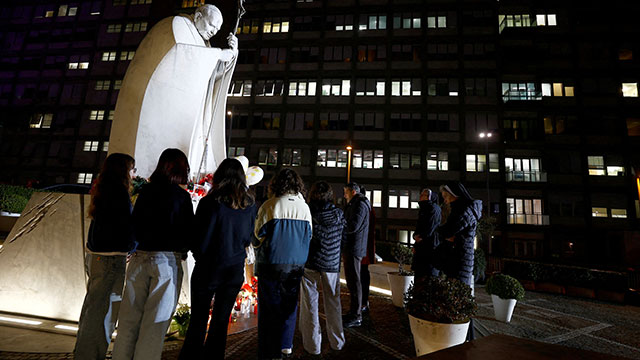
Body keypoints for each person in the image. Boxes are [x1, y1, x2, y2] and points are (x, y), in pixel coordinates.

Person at [109, 4, 239, 177]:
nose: (213, 31)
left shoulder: (204, 43)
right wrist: (216, 55)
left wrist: (231, 54)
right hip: (163, 106)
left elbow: (210, 78)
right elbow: (178, 55)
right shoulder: (177, 25)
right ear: (198, 16)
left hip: (187, 110)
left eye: (217, 29)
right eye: (211, 25)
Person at [112, 149, 194, 360]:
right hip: (166, 261)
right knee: (154, 326)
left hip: (139, 258)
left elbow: (134, 225)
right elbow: (188, 232)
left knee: (128, 322)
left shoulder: (146, 192)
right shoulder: (182, 197)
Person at [179, 158, 256, 359]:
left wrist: (198, 254)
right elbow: (248, 237)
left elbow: (200, 235)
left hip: (209, 266)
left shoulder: (210, 202)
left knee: (198, 319)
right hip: (233, 268)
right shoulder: (248, 205)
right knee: (221, 321)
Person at [74, 153, 136, 360]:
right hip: (110, 258)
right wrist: (132, 246)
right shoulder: (118, 193)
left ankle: (83, 353)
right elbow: (126, 227)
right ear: (124, 171)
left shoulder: (102, 190)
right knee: (104, 312)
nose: (134, 174)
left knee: (93, 308)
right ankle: (91, 355)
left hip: (97, 255)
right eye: (132, 169)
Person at [254, 169, 312, 359]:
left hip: (271, 264)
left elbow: (257, 236)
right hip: (296, 265)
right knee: (289, 306)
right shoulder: (305, 208)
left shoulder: (270, 205)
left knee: (268, 308)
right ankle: (286, 344)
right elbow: (309, 235)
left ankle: (268, 347)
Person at [299, 181, 346, 356]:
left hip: (310, 262)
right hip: (332, 263)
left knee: (309, 303)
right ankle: (337, 342)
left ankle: (312, 345)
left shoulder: (308, 212)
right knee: (333, 302)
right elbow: (344, 237)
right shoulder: (339, 214)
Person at [437, 183, 482, 286]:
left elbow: (448, 231)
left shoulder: (463, 210)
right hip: (460, 255)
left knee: (458, 291)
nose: (444, 200)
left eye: (445, 196)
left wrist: (443, 233)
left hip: (461, 257)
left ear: (453, 194)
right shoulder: (461, 209)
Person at [341, 182, 371, 328]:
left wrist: (341, 223)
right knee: (352, 281)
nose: (344, 195)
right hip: (352, 247)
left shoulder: (359, 205)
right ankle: (354, 312)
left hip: (354, 247)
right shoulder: (357, 204)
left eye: (346, 192)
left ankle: (356, 315)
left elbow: (353, 225)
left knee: (354, 281)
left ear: (353, 192)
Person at [411, 188, 441, 278]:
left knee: (427, 275)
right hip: (422, 245)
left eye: (423, 195)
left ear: (429, 197)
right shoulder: (424, 208)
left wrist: (420, 237)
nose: (420, 197)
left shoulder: (433, 208)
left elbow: (429, 227)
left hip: (428, 247)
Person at [358, 185, 376, 313]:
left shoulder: (363, 207)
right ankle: (363, 301)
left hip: (362, 246)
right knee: (363, 273)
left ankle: (363, 301)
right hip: (364, 246)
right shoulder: (369, 207)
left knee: (362, 274)